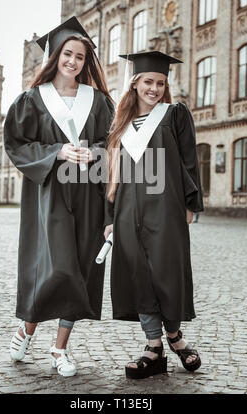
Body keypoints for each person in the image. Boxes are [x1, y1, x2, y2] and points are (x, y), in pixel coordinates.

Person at [4, 16, 114, 377]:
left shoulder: (97, 101)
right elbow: (17, 144)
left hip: (88, 196)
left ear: (86, 63)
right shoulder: (31, 101)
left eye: (80, 57)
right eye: (67, 54)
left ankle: (60, 348)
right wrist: (57, 153)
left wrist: (94, 154)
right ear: (54, 57)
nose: (73, 62)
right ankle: (28, 327)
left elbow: (110, 144)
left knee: (80, 268)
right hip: (48, 194)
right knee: (54, 267)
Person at [104, 51, 204, 379]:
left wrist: (191, 204)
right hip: (129, 211)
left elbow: (189, 160)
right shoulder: (121, 125)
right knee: (140, 276)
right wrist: (109, 217)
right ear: (134, 84)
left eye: (160, 82)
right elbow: (113, 176)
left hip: (166, 207)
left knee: (167, 273)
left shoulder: (175, 114)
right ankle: (153, 347)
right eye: (148, 82)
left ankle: (175, 337)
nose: (155, 88)